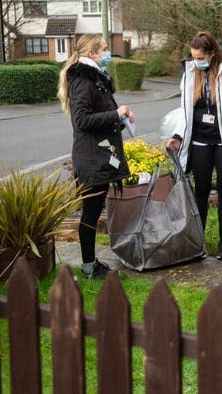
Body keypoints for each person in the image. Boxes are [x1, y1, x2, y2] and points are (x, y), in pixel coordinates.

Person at [167, 31, 222, 260]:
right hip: (200, 140)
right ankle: (200, 242)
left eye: (200, 57)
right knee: (201, 191)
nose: (197, 62)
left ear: (212, 54)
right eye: (194, 57)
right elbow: (184, 111)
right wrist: (177, 134)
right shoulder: (190, 74)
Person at [58, 34, 134, 279]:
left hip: (99, 155)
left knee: (92, 210)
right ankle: (89, 265)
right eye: (103, 49)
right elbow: (81, 120)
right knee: (90, 213)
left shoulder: (94, 78)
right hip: (91, 158)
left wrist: (120, 117)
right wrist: (116, 113)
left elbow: (99, 118)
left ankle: (91, 263)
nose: (107, 53)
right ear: (91, 53)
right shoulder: (83, 79)